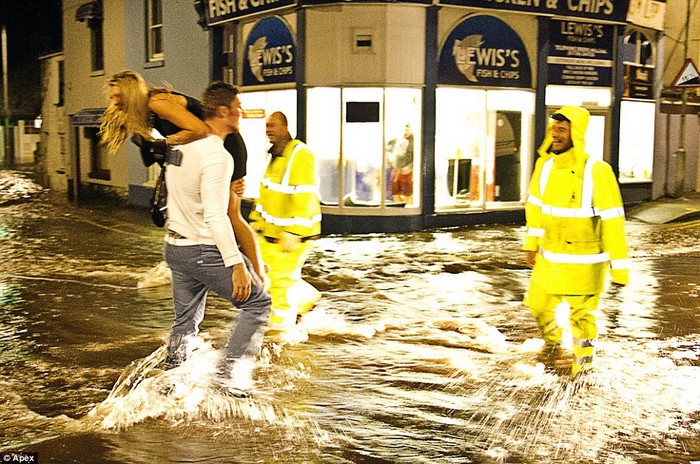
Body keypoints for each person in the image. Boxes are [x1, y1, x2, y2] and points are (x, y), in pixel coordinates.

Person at [100, 71, 266, 284]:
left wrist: (166, 143)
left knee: (231, 215)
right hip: (205, 153)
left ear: (130, 94)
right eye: (112, 96)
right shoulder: (141, 111)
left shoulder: (156, 102)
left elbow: (200, 129)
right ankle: (239, 264)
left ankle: (259, 275)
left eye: (117, 96)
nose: (113, 101)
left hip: (227, 145)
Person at [163, 81, 270, 394]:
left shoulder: (180, 145)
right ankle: (226, 377)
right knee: (258, 303)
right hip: (202, 248)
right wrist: (237, 263)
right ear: (223, 111)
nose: (240, 113)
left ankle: (171, 387)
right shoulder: (218, 155)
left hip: (175, 247)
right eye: (237, 108)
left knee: (185, 322)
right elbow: (214, 215)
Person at [522, 106, 630, 375]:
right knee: (537, 305)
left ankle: (584, 364)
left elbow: (613, 219)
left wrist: (620, 266)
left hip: (585, 264)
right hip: (549, 260)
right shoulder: (544, 167)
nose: (555, 135)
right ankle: (553, 343)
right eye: (553, 129)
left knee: (582, 319)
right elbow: (535, 208)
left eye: (561, 130)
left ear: (576, 133)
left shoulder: (597, 171)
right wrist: (531, 244)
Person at [249, 111, 322, 333]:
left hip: (293, 235)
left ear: (286, 127)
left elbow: (305, 195)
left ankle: (279, 333)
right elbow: (266, 194)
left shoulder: (300, 154)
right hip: (270, 234)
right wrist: (255, 223)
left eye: (274, 125)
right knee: (264, 278)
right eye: (267, 126)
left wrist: (293, 231)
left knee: (280, 283)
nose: (269, 129)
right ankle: (308, 301)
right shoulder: (274, 155)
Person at [388, 123, 414, 204]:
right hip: (396, 169)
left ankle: (408, 208)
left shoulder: (416, 142)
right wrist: (391, 161)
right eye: (404, 129)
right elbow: (387, 148)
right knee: (395, 192)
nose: (405, 132)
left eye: (407, 129)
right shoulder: (397, 139)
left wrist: (410, 168)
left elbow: (417, 156)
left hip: (408, 171)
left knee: (408, 193)